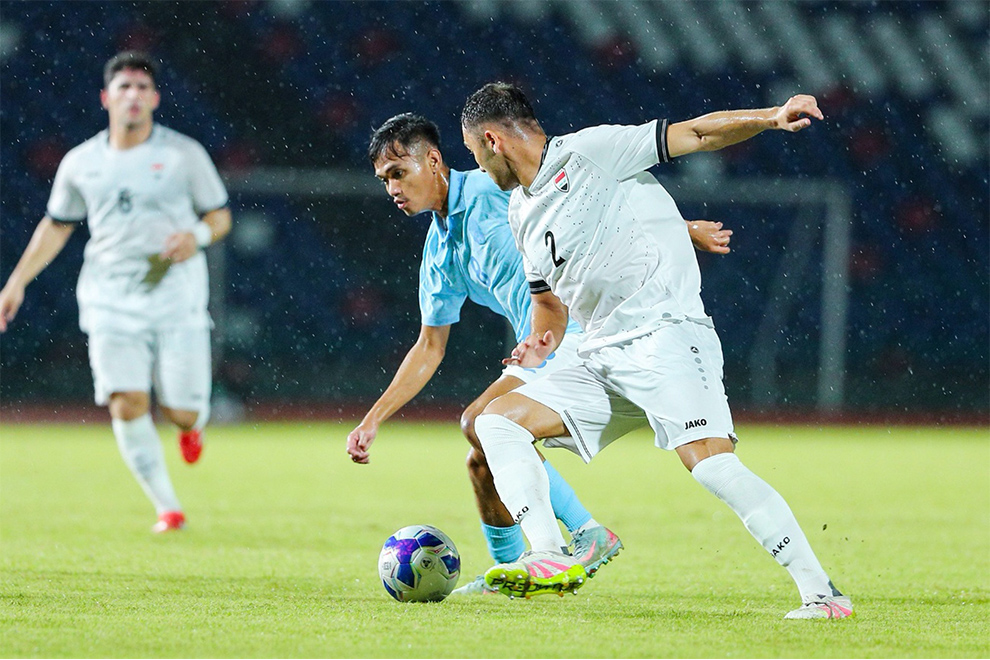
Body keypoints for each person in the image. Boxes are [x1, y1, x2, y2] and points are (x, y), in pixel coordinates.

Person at [460, 82, 852, 619]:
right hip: (597, 355)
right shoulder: (519, 211)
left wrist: (770, 116)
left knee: (712, 467)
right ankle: (548, 554)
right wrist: (540, 339)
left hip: (664, 335)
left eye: (473, 154)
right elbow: (549, 303)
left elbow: (692, 132)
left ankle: (822, 595)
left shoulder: (588, 152)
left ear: (491, 140)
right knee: (496, 422)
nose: (478, 167)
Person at [346, 113, 732, 595]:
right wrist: (373, 419)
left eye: (398, 173)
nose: (392, 189)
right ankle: (510, 575)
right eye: (384, 181)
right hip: (543, 344)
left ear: (434, 160)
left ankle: (590, 534)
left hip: (578, 329)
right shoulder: (439, 252)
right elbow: (429, 345)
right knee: (480, 458)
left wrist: (681, 227)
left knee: (476, 422)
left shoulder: (494, 187)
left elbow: (588, 199)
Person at [0, 52, 231, 533]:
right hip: (109, 299)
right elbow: (57, 226)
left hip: (176, 297)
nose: (133, 95)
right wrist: (17, 281)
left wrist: (198, 238)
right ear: (107, 98)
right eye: (124, 87)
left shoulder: (184, 155)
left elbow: (219, 216)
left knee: (181, 411)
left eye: (142, 88)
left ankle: (192, 428)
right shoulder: (81, 162)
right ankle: (168, 508)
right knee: (126, 402)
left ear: (155, 100)